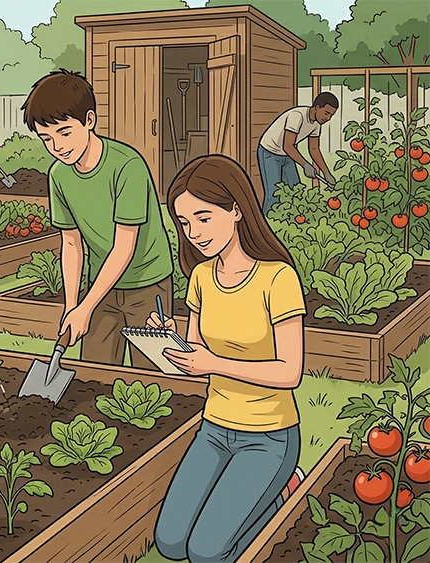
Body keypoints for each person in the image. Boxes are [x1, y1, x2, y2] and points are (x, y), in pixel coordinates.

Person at [151, 154, 306, 563]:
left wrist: (214, 363)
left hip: (269, 435)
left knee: (206, 553)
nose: (194, 233)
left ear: (236, 209)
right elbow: (193, 351)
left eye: (203, 218)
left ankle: (282, 492)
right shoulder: (201, 277)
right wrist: (165, 340)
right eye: (184, 223)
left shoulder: (277, 278)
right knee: (169, 543)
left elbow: (290, 372)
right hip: (215, 428)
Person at [21, 69, 174, 369]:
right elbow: (71, 244)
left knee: (152, 374)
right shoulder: (59, 175)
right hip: (101, 285)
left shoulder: (127, 166)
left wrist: (86, 306)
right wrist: (72, 306)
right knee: (95, 372)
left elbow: (124, 247)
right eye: (47, 139)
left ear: (89, 121)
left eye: (64, 133)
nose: (58, 146)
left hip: (147, 282)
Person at [257, 92, 338, 214]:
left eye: (331, 115)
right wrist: (305, 165)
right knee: (273, 195)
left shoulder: (316, 124)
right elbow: (288, 145)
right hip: (270, 152)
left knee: (296, 191)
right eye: (326, 113)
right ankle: (265, 227)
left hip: (287, 155)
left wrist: (326, 172)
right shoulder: (297, 116)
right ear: (317, 107)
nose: (328, 118)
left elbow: (314, 149)